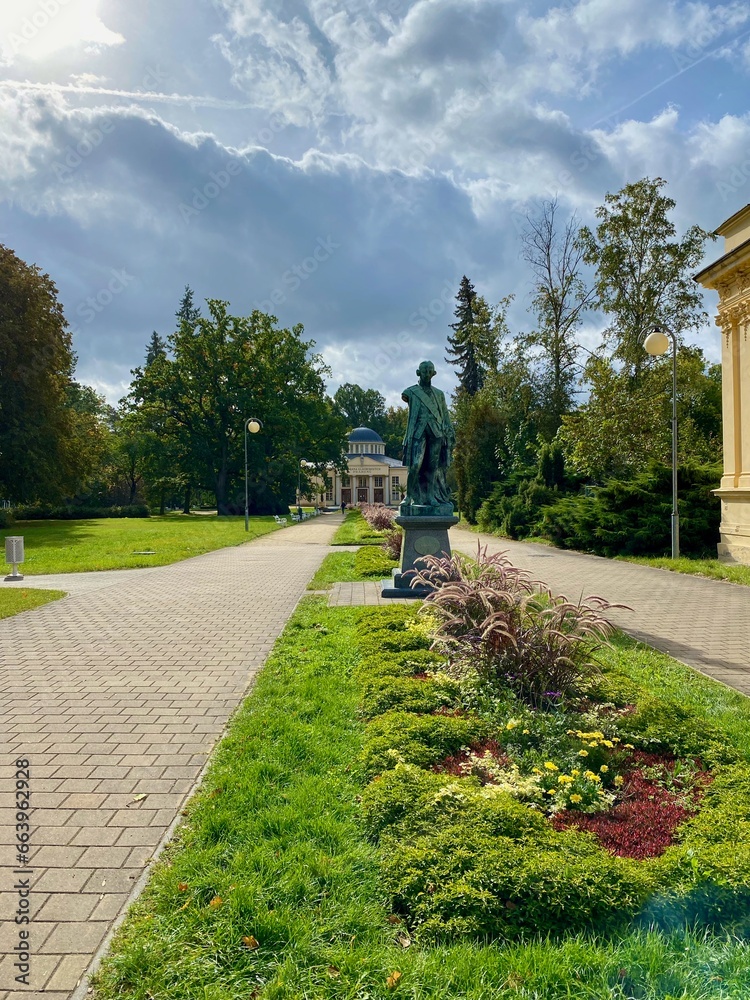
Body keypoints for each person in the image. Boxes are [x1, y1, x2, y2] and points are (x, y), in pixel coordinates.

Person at [401, 360, 455, 510]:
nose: (427, 373)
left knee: (433, 466)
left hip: (436, 432)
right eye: (424, 371)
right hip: (418, 432)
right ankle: (409, 496)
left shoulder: (439, 394)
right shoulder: (410, 392)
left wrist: (449, 432)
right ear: (418, 373)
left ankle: (431, 496)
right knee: (415, 465)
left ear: (434, 373)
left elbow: (445, 415)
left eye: (430, 371)